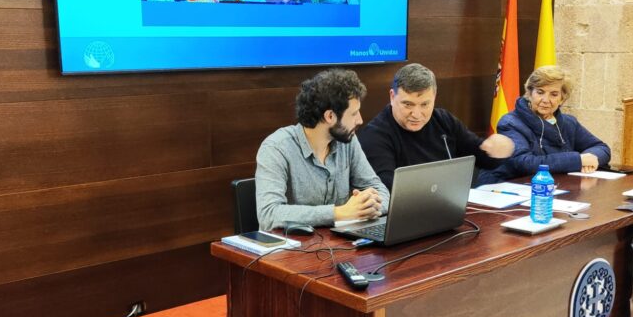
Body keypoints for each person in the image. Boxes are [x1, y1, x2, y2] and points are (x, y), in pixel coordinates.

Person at [256, 69, 389, 231]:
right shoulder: (276, 148)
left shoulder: (348, 141)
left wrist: (368, 206)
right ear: (330, 116)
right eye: (354, 113)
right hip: (293, 245)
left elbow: (379, 190)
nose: (360, 120)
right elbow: (269, 215)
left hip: (338, 242)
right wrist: (338, 213)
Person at [359, 63, 515, 190]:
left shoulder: (443, 120)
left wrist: (498, 151)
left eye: (425, 104)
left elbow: (481, 157)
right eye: (408, 104)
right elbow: (388, 189)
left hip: (447, 205)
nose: (416, 114)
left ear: (434, 97)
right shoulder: (375, 135)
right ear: (392, 97)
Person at [496, 65, 611, 178]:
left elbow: (601, 148)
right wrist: (578, 160)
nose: (546, 100)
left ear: (562, 99)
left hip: (562, 185)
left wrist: (591, 159)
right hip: (517, 185)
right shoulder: (510, 123)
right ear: (529, 93)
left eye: (554, 94)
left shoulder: (569, 122)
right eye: (540, 92)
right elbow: (524, 163)